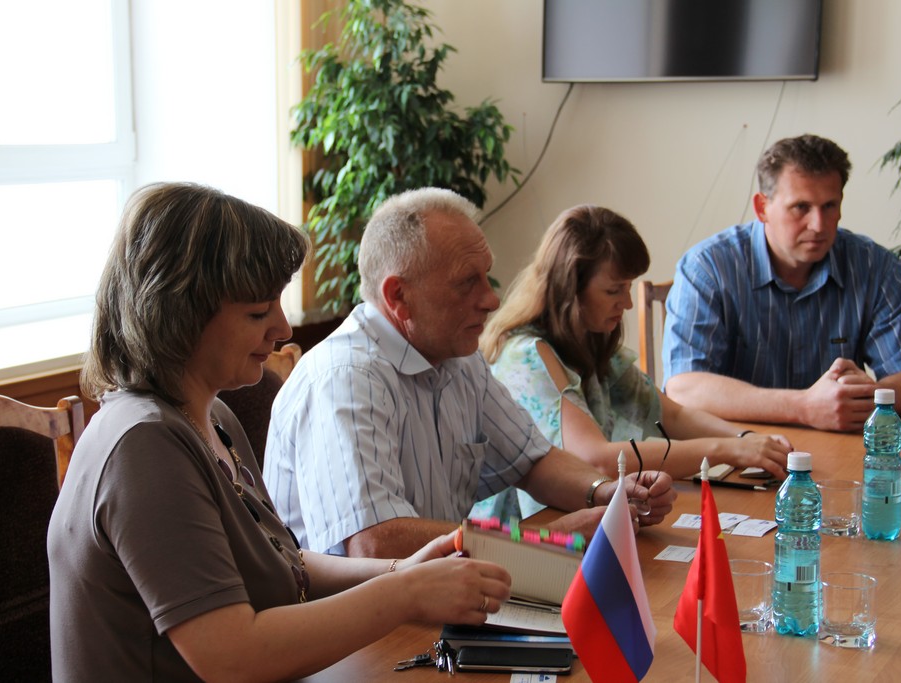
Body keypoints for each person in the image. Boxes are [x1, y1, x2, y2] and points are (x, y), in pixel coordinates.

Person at [47, 183, 511, 682]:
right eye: (257, 312)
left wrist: (403, 571)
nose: (283, 328)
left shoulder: (213, 417)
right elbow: (233, 657)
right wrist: (407, 594)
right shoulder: (143, 447)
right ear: (179, 314)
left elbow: (284, 561)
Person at [263, 188, 676, 559]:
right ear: (398, 296)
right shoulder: (346, 380)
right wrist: (542, 540)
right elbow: (375, 546)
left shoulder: (457, 358)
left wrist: (607, 492)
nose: (492, 300)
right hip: (362, 616)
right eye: (467, 282)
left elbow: (533, 460)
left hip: (438, 592)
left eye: (487, 276)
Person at [475, 205, 792, 519]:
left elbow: (674, 415)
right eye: (614, 290)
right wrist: (729, 450)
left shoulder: (590, 336)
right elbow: (596, 460)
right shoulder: (526, 355)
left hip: (582, 520)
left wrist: (746, 439)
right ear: (569, 288)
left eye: (628, 287)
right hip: (526, 533)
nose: (627, 303)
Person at [663, 134, 901, 432]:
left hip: (841, 450)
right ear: (762, 207)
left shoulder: (874, 265)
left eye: (829, 206)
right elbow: (684, 388)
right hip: (739, 447)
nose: (818, 225)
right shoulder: (708, 268)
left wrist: (864, 397)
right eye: (801, 207)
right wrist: (804, 407)